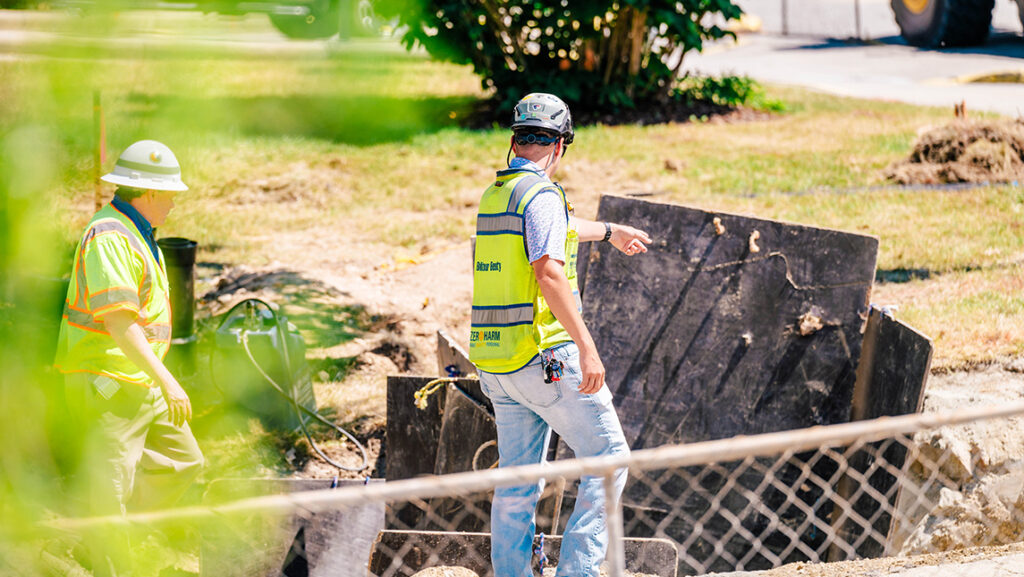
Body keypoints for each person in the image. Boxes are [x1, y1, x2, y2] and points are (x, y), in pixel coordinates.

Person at [470, 93, 652, 576]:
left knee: (517, 481)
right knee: (609, 459)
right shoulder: (544, 196)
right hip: (543, 358)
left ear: (515, 141)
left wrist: (610, 230)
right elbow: (548, 269)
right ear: (561, 146)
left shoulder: (500, 193)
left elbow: (558, 227)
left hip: (497, 362)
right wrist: (588, 349)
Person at [54, 139, 203, 576]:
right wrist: (169, 381)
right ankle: (108, 557)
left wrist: (158, 380)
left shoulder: (137, 233)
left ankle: (109, 539)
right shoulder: (109, 236)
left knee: (185, 461)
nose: (175, 201)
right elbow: (120, 325)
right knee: (111, 491)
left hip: (137, 381)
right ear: (150, 193)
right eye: (171, 192)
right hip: (106, 384)